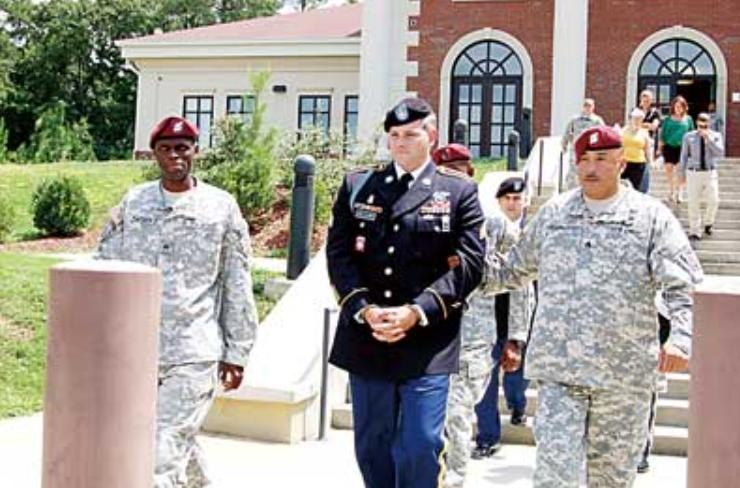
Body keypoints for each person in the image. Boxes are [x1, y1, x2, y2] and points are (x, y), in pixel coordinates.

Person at [484, 125, 703, 487]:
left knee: (612, 480)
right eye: (584, 159)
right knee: (554, 477)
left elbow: (683, 286)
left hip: (623, 377)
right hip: (560, 373)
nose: (591, 168)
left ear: (621, 163)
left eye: (601, 159)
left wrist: (680, 339)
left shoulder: (650, 216)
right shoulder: (554, 214)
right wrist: (459, 259)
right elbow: (510, 272)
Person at [326, 97, 486, 488]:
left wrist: (416, 311)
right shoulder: (359, 185)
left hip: (427, 341)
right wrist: (363, 309)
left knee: (422, 444)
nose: (400, 143)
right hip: (369, 335)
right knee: (372, 447)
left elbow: (469, 265)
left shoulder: (458, 190)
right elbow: (339, 255)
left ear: (431, 136)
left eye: (411, 135)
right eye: (394, 135)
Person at [97, 116, 259, 488]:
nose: (175, 156)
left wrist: (237, 352)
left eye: (183, 148)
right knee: (172, 444)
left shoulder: (220, 207)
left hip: (192, 351)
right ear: (154, 154)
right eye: (166, 149)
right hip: (136, 352)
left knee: (160, 455)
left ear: (195, 152)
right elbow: (105, 268)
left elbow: (236, 281)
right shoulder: (133, 203)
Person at [434, 156, 526, 488]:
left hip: (473, 338)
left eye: (458, 174)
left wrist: (516, 337)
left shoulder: (495, 225)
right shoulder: (422, 219)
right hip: (429, 337)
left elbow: (520, 281)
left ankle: (454, 480)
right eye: (445, 173)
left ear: (471, 178)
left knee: (455, 414)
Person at [472, 177, 536, 460]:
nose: (512, 203)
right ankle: (487, 437)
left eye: (517, 198)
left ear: (526, 201)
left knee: (516, 380)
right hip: (487, 320)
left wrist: (519, 335)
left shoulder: (533, 231)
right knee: (484, 384)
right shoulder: (487, 229)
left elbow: (528, 286)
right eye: (507, 198)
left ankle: (518, 405)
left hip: (519, 317)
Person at [679, 112, 725, 241]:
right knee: (693, 202)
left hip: (710, 172)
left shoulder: (716, 136)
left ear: (709, 124)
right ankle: (695, 230)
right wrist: (681, 174)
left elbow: (720, 152)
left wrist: (708, 140)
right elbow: (683, 156)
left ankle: (708, 222)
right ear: (696, 123)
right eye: (700, 126)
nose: (702, 128)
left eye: (705, 126)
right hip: (694, 172)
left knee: (714, 200)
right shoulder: (688, 137)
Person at [561, 98, 606, 189]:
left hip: (590, 150)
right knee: (574, 172)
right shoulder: (575, 120)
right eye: (585, 105)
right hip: (576, 150)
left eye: (589, 106)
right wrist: (564, 145)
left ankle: (587, 189)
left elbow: (604, 134)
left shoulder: (597, 121)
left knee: (588, 170)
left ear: (593, 107)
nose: (587, 108)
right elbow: (567, 133)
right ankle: (572, 190)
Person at [659, 95, 694, 204]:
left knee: (680, 170)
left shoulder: (688, 119)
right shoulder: (667, 120)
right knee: (669, 170)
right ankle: (671, 191)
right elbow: (662, 135)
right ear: (673, 107)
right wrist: (659, 149)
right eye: (676, 106)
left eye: (680, 107)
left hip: (682, 148)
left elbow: (692, 134)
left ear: (684, 107)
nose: (678, 109)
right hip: (669, 147)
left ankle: (680, 192)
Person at [621, 108, 653, 193]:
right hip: (625, 162)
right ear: (631, 119)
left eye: (639, 119)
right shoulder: (623, 131)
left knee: (636, 187)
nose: (637, 121)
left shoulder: (644, 133)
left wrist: (650, 162)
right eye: (635, 118)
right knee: (621, 186)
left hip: (639, 163)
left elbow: (647, 149)